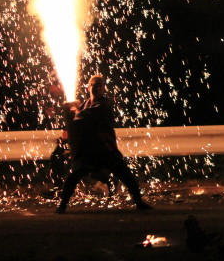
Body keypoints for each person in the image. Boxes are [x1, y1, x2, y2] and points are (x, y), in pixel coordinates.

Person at [56, 74, 152, 213]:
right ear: (88, 87)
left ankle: (139, 202)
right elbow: (77, 122)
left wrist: (75, 111)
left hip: (105, 149)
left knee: (125, 175)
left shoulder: (104, 104)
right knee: (75, 175)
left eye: (100, 85)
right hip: (90, 150)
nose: (98, 87)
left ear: (103, 89)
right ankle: (62, 205)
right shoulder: (86, 104)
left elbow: (85, 117)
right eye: (95, 84)